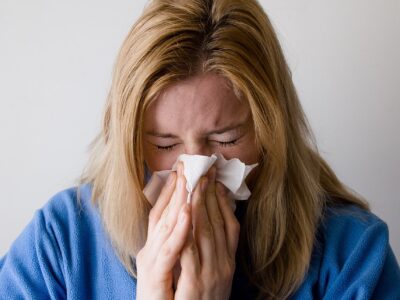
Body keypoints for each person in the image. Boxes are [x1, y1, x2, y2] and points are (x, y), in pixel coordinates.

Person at [1, 0, 399, 299]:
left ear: (271, 131)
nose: (195, 172)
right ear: (128, 139)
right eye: (163, 144)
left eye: (226, 140)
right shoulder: (60, 245)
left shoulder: (351, 257)